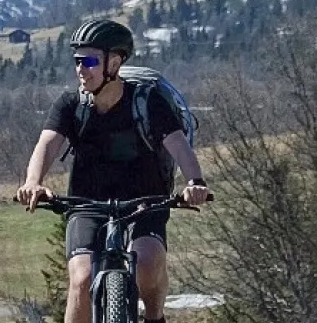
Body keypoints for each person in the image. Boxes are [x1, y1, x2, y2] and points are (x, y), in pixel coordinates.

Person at [15, 19, 210, 323]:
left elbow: (178, 145)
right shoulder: (70, 105)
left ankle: (155, 317)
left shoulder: (148, 103)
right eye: (77, 61)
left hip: (146, 200)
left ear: (114, 63)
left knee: (147, 264)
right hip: (87, 202)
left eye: (90, 61)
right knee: (81, 279)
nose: (81, 69)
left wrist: (195, 183)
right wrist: (33, 183)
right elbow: (48, 144)